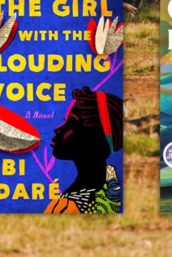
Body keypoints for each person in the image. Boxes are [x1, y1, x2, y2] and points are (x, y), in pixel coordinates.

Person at [45, 86, 123, 214]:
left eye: (71, 122)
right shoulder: (109, 186)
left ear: (95, 137)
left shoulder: (68, 207)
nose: (58, 129)